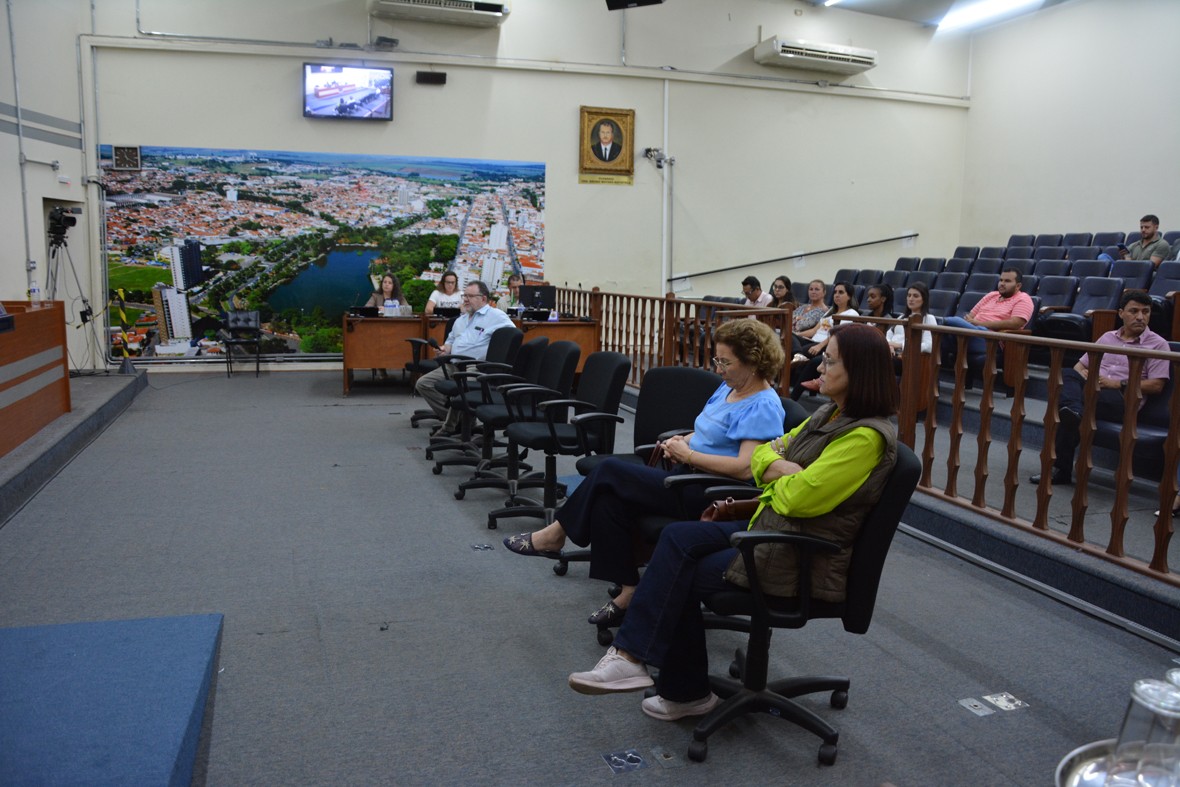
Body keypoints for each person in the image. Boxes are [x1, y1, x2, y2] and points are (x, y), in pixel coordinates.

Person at [566, 323, 899, 720]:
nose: (819, 367)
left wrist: (775, 472)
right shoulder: (831, 413)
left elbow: (798, 499)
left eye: (829, 361)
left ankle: (675, 686)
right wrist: (780, 468)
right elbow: (765, 454)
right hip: (772, 528)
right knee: (676, 539)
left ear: (858, 371)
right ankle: (636, 662)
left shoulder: (865, 437)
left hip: (799, 555)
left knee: (680, 568)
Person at [502, 319, 786, 626]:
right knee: (607, 501)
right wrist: (683, 441)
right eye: (717, 360)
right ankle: (629, 589)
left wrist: (689, 455)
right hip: (687, 474)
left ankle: (556, 534)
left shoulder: (762, 405)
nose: (719, 369)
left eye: (725, 362)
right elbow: (710, 432)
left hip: (710, 492)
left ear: (753, 362)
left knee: (610, 470)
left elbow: (744, 468)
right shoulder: (729, 388)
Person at [1031, 291, 1170, 485]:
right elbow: (1079, 367)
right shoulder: (1107, 337)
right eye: (1134, 311)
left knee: (1068, 404)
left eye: (1145, 312)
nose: (1140, 317)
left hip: (1123, 400)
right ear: (1121, 313)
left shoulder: (1158, 345)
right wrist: (1088, 376)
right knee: (1066, 374)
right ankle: (1073, 411)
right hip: (1094, 391)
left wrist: (1117, 384)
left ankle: (1061, 466)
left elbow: (1156, 385)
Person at [415, 281, 515, 436]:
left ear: (483, 298)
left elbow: (513, 336)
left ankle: (449, 426)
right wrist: (444, 350)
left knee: (461, 388)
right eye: (464, 296)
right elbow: (450, 342)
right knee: (423, 384)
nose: (466, 299)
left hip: (476, 367)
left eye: (470, 296)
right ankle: (462, 420)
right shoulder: (461, 320)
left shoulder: (495, 316)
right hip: (454, 364)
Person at [939, 267, 1034, 364]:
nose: (1002, 283)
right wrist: (974, 324)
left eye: (1007, 281)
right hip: (972, 332)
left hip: (991, 339)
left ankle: (937, 321)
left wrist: (979, 324)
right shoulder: (991, 295)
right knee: (939, 337)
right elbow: (970, 317)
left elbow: (1015, 323)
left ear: (1018, 286)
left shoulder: (1023, 299)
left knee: (954, 321)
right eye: (1001, 280)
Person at [792, 281, 859, 398]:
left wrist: (819, 346)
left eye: (841, 292)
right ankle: (798, 354)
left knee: (810, 359)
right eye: (835, 292)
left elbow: (838, 335)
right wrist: (797, 334)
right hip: (813, 341)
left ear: (849, 296)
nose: (837, 295)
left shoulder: (851, 313)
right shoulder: (831, 311)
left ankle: (793, 396)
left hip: (827, 345)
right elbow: (814, 330)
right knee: (790, 337)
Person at [886, 282, 936, 364]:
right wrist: (889, 345)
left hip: (909, 359)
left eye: (915, 296)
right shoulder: (901, 317)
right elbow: (889, 334)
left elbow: (929, 346)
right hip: (892, 353)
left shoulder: (929, 318)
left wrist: (901, 345)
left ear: (924, 299)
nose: (911, 299)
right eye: (909, 295)